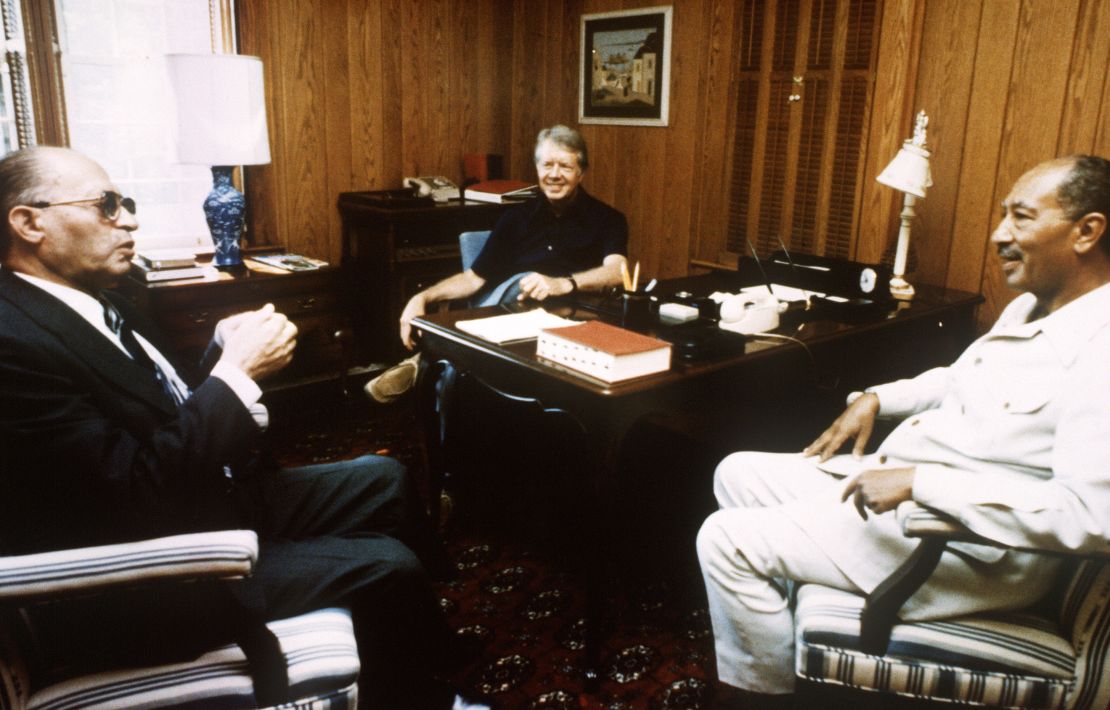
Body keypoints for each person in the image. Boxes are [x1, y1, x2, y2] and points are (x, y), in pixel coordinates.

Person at [0, 146, 484, 710]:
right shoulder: (13, 344)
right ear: (29, 223)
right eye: (106, 205)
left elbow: (156, 410)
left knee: (384, 476)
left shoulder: (101, 296)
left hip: (200, 499)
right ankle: (423, 692)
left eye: (125, 203)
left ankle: (425, 636)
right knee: (385, 562)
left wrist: (216, 354)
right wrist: (236, 375)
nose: (129, 218)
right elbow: (135, 492)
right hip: (151, 576)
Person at [696, 155, 1110, 707]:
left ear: (1087, 231)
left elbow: (1090, 518)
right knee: (737, 472)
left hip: (968, 546)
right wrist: (876, 398)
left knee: (725, 542)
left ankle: (767, 698)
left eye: (1021, 218)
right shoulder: (1033, 307)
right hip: (917, 495)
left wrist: (922, 484)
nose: (999, 234)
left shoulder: (1100, 351)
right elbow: (957, 378)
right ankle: (793, 625)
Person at [366, 124, 629, 403]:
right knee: (520, 288)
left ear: (581, 172)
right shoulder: (515, 219)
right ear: (537, 169)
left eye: (565, 166)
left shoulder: (607, 219)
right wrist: (422, 297)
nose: (554, 174)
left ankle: (428, 359)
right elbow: (472, 279)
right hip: (515, 322)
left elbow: (619, 270)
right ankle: (437, 360)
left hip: (575, 324)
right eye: (547, 165)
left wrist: (565, 283)